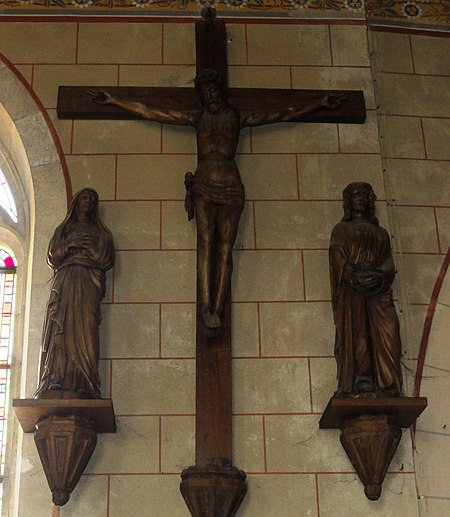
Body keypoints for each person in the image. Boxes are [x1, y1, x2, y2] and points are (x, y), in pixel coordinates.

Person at [89, 69, 344, 333]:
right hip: (204, 184)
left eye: (212, 89)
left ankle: (217, 309)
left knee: (225, 247)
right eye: (204, 91)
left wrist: (319, 104)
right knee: (206, 242)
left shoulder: (236, 117)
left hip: (231, 185)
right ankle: (205, 307)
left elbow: (280, 113)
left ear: (220, 91)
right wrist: (114, 100)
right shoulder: (197, 118)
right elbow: (155, 112)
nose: (209, 94)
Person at [35, 188, 115, 399]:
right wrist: (71, 243)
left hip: (88, 282)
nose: (88, 202)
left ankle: (85, 382)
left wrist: (91, 250)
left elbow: (106, 259)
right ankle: (56, 378)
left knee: (87, 326)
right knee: (60, 328)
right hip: (66, 280)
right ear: (76, 202)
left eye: (93, 199)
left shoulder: (102, 233)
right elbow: (53, 255)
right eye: (84, 198)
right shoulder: (65, 229)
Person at [329, 182, 403, 397]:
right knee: (358, 332)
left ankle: (388, 383)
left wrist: (379, 275)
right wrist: (353, 275)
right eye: (356, 195)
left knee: (390, 330)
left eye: (365, 195)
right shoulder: (341, 230)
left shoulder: (381, 233)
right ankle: (363, 381)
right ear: (348, 202)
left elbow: (388, 262)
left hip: (378, 290)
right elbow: (337, 256)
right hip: (353, 289)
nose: (360, 198)